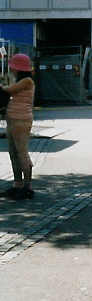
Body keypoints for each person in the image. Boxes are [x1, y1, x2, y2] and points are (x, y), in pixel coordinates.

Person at [3, 54, 36, 200]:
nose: (11, 69)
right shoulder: (20, 80)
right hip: (12, 119)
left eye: (13, 67)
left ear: (19, 68)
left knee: (21, 153)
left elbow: (8, 90)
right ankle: (17, 184)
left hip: (21, 120)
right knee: (13, 153)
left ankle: (27, 187)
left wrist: (3, 86)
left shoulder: (27, 81)